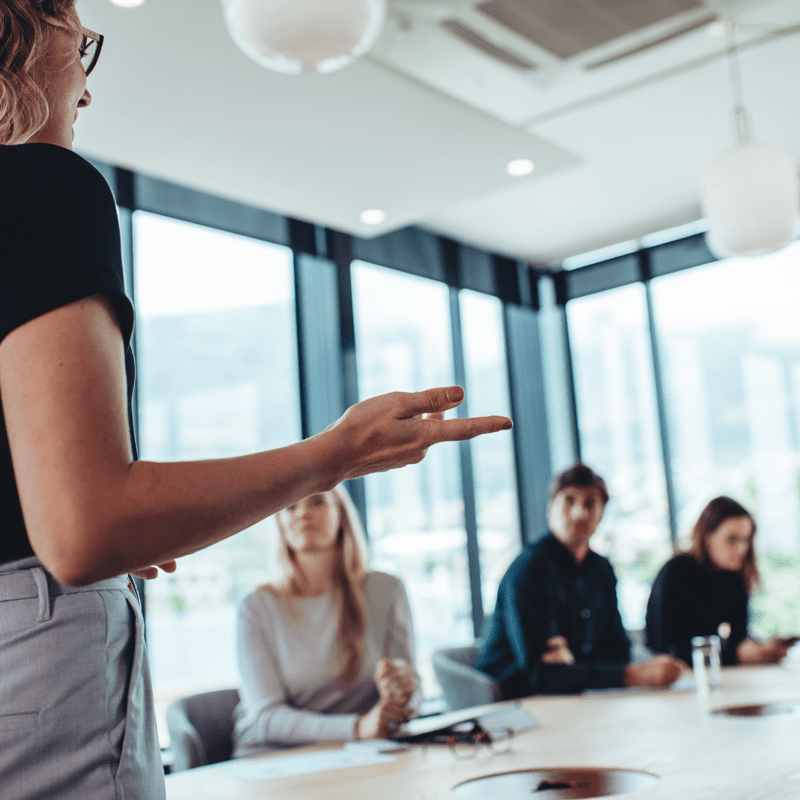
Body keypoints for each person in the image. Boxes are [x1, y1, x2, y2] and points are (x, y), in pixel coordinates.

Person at [0, 3, 511, 797]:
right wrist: (336, 454)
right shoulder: (45, 184)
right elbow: (82, 528)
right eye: (85, 45)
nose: (87, 93)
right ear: (28, 36)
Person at [233, 486, 416, 756]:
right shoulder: (256, 607)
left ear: (342, 515)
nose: (303, 513)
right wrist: (357, 728)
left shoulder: (387, 590)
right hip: (274, 755)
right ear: (280, 523)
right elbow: (266, 718)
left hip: (364, 751)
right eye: (290, 506)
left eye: (317, 502)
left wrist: (405, 697)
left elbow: (410, 685)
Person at [476, 463, 682, 697]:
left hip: (573, 696)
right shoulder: (530, 570)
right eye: (569, 501)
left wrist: (574, 663)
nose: (579, 513)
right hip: (513, 701)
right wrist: (629, 675)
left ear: (602, 513)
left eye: (590, 503)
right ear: (550, 508)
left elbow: (617, 650)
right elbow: (540, 674)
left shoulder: (601, 569)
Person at [645, 496, 792, 667]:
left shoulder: (733, 576)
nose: (742, 549)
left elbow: (738, 638)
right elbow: (665, 647)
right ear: (708, 537)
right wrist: (735, 655)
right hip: (675, 677)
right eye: (732, 539)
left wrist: (760, 649)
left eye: (746, 539)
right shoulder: (676, 571)